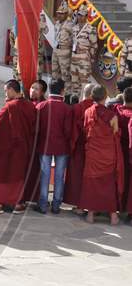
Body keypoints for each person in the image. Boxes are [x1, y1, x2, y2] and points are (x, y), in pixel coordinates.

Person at [0, 80, 37, 213]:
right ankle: (17, 203)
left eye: (5, 91)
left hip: (7, 148)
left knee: (2, 172)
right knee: (17, 174)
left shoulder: (10, 107)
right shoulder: (31, 106)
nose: (5, 94)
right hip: (23, 148)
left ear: (11, 90)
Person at [80, 86, 122, 225]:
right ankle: (113, 217)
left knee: (92, 183)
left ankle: (91, 215)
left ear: (92, 97)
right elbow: (115, 134)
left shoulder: (87, 112)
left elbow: (86, 131)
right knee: (109, 184)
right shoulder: (112, 116)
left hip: (93, 153)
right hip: (108, 154)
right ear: (105, 97)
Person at [34, 79, 71, 214]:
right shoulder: (67, 108)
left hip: (44, 145)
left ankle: (43, 204)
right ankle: (56, 205)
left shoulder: (41, 106)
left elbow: (36, 129)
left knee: (45, 174)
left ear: (49, 90)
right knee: (59, 175)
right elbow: (68, 131)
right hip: (62, 146)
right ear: (62, 91)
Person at [64, 83, 95, 211]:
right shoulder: (98, 108)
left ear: (85, 93)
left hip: (77, 147)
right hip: (93, 148)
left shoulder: (76, 108)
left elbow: (70, 130)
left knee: (77, 176)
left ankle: (78, 205)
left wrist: (70, 145)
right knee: (91, 177)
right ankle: (91, 205)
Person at [70, 9, 97, 99]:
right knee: (74, 83)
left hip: (84, 59)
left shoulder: (91, 29)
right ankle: (75, 103)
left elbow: (94, 46)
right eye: (79, 15)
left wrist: (91, 60)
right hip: (74, 58)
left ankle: (84, 103)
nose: (80, 17)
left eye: (82, 15)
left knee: (84, 84)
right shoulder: (74, 28)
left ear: (86, 16)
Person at [51, 1, 73, 95]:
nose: (59, 15)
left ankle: (66, 95)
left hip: (65, 50)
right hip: (56, 49)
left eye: (62, 13)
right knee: (55, 73)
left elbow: (74, 38)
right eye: (58, 13)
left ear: (66, 14)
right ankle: (56, 92)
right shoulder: (57, 23)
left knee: (65, 75)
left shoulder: (70, 25)